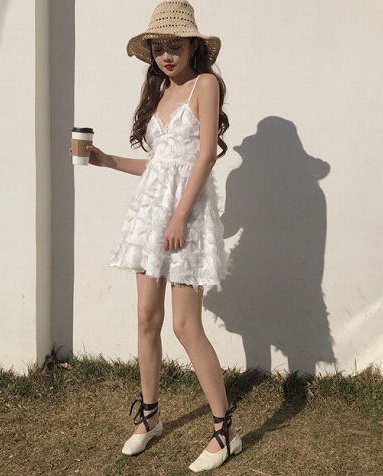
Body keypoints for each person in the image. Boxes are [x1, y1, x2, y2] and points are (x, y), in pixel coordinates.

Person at [81, 1, 241, 471]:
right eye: (159, 48)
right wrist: (107, 160)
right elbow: (160, 167)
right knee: (146, 319)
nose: (166, 56)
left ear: (193, 46)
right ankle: (149, 417)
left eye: (175, 46)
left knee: (185, 326)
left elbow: (205, 155)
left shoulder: (205, 84)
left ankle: (224, 430)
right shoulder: (158, 92)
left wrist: (180, 216)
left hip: (185, 217)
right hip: (151, 214)